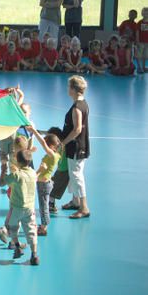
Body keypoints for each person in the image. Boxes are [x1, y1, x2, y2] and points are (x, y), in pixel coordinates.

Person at [0, 150, 40, 265]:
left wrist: (3, 171)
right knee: (31, 231)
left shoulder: (17, 175)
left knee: (12, 228)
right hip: (30, 208)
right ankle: (34, 255)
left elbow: (2, 183)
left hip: (16, 208)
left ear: (17, 160)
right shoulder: (32, 173)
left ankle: (17, 247)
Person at [61, 75, 90, 219]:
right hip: (80, 146)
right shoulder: (83, 103)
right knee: (74, 173)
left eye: (68, 87)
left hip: (76, 147)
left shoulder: (77, 108)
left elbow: (77, 129)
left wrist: (63, 142)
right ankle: (75, 201)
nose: (67, 89)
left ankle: (84, 207)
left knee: (77, 176)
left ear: (73, 89)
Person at [27, 126, 60, 236]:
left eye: (47, 145)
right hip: (43, 183)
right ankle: (43, 225)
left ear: (51, 146)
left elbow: (43, 144)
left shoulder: (53, 156)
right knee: (43, 206)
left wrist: (34, 131)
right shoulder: (54, 155)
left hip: (44, 184)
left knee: (43, 206)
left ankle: (44, 227)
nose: (45, 147)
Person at [136, 7, 148, 74]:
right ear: (142, 14)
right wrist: (137, 41)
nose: (146, 14)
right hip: (140, 41)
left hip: (147, 42)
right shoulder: (140, 22)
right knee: (139, 55)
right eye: (144, 13)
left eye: (147, 13)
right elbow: (137, 32)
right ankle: (139, 67)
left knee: (145, 55)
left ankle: (143, 67)